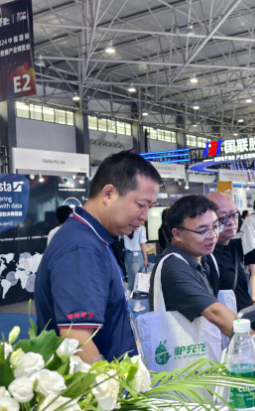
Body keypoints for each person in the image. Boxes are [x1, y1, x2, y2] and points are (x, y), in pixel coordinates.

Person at [35, 150, 163, 362]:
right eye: (141, 205)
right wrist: (109, 383)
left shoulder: (94, 237)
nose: (145, 216)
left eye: (149, 207)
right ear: (108, 194)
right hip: (98, 381)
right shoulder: (82, 247)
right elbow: (76, 341)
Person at [148, 195, 247, 338]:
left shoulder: (203, 258)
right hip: (180, 347)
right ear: (177, 234)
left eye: (215, 227)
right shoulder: (174, 267)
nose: (212, 235)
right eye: (202, 231)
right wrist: (251, 341)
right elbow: (215, 313)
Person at [206, 192, 255, 332]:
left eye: (234, 215)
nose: (231, 222)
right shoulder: (206, 258)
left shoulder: (232, 247)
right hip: (232, 334)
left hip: (246, 329)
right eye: (223, 218)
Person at [123, 222, 148, 312]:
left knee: (130, 279)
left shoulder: (125, 226)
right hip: (137, 255)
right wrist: (146, 258)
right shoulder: (141, 228)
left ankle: (127, 303)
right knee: (138, 281)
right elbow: (142, 244)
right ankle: (136, 305)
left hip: (127, 255)